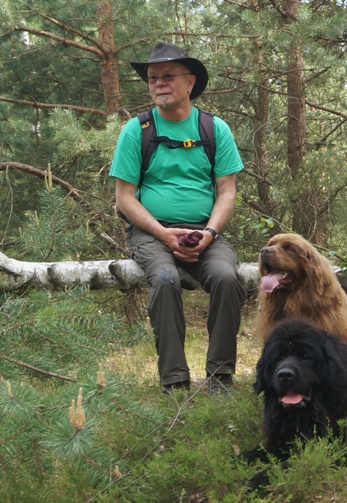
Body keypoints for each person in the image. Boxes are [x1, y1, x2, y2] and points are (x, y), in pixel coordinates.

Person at [109, 42, 247, 395]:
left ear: (189, 82)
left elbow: (227, 192)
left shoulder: (214, 130)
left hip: (205, 232)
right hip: (150, 234)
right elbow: (124, 197)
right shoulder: (136, 131)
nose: (159, 84)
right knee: (167, 278)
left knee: (226, 278)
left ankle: (220, 377)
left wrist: (211, 233)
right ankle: (174, 380)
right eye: (153, 78)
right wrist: (163, 234)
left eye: (167, 76)